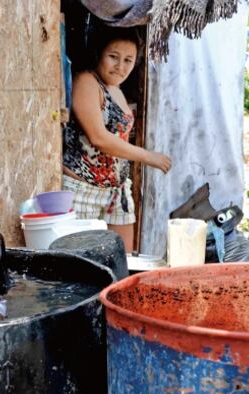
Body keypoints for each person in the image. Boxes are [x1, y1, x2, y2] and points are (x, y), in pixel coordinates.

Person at [63, 28, 171, 251]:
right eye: (113, 57)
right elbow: (98, 137)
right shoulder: (87, 81)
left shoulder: (117, 90)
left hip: (117, 192)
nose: (120, 66)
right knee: (83, 266)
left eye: (128, 60)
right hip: (83, 191)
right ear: (99, 54)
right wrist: (148, 156)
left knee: (123, 261)